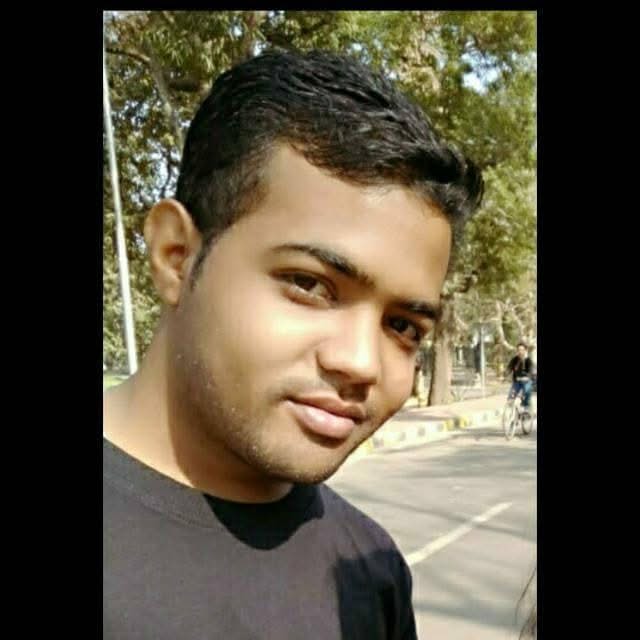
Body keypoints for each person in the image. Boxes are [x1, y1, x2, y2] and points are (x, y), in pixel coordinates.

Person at [103, 49, 484, 639]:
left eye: (403, 326)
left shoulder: (372, 575)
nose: (361, 362)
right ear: (176, 256)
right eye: (309, 285)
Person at [506, 342, 535, 414]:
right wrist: (506, 374)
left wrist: (527, 377)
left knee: (527, 391)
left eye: (522, 350)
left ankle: (526, 406)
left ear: (525, 350)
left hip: (526, 381)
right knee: (511, 396)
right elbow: (509, 367)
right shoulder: (515, 359)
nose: (520, 351)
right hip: (517, 381)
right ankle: (510, 412)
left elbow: (531, 371)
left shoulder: (528, 360)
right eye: (518, 350)